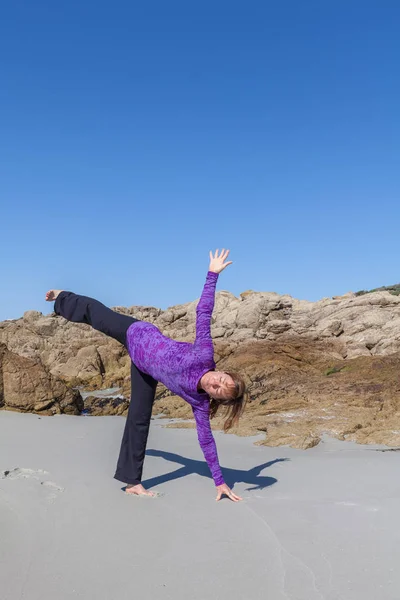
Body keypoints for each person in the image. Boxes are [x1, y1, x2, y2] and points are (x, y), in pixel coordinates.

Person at [45, 249, 246, 501]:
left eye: (218, 390)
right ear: (223, 371)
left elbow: (206, 442)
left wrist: (220, 482)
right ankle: (63, 298)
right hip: (137, 333)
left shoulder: (199, 402)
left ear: (215, 398)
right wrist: (212, 274)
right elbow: (203, 313)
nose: (216, 383)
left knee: (139, 420)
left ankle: (132, 482)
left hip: (144, 369)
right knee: (94, 313)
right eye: (222, 380)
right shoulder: (204, 355)